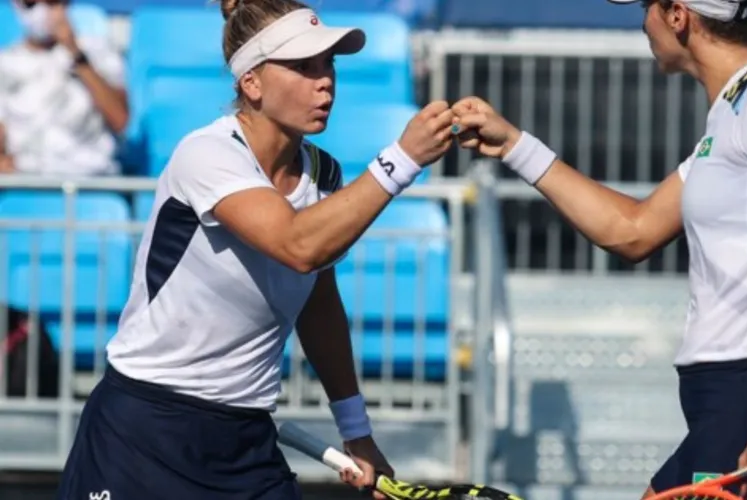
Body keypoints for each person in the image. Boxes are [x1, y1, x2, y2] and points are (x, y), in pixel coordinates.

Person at [449, 0, 747, 499]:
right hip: (727, 402)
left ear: (677, 15)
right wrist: (514, 145)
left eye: (646, 8)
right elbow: (632, 229)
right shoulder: (731, 112)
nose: (643, 23)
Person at [55, 0, 456, 498]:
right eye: (303, 66)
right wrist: (402, 160)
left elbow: (318, 299)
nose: (325, 80)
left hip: (246, 441)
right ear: (252, 83)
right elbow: (298, 246)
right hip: (142, 432)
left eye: (328, 63)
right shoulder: (206, 154)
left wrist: (356, 430)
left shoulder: (323, 173)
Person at [0, 0, 128, 176]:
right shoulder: (5, 63)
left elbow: (120, 120)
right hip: (26, 181)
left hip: (91, 181)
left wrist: (77, 56)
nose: (41, 11)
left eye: (50, 3)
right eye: (30, 4)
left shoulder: (99, 51)